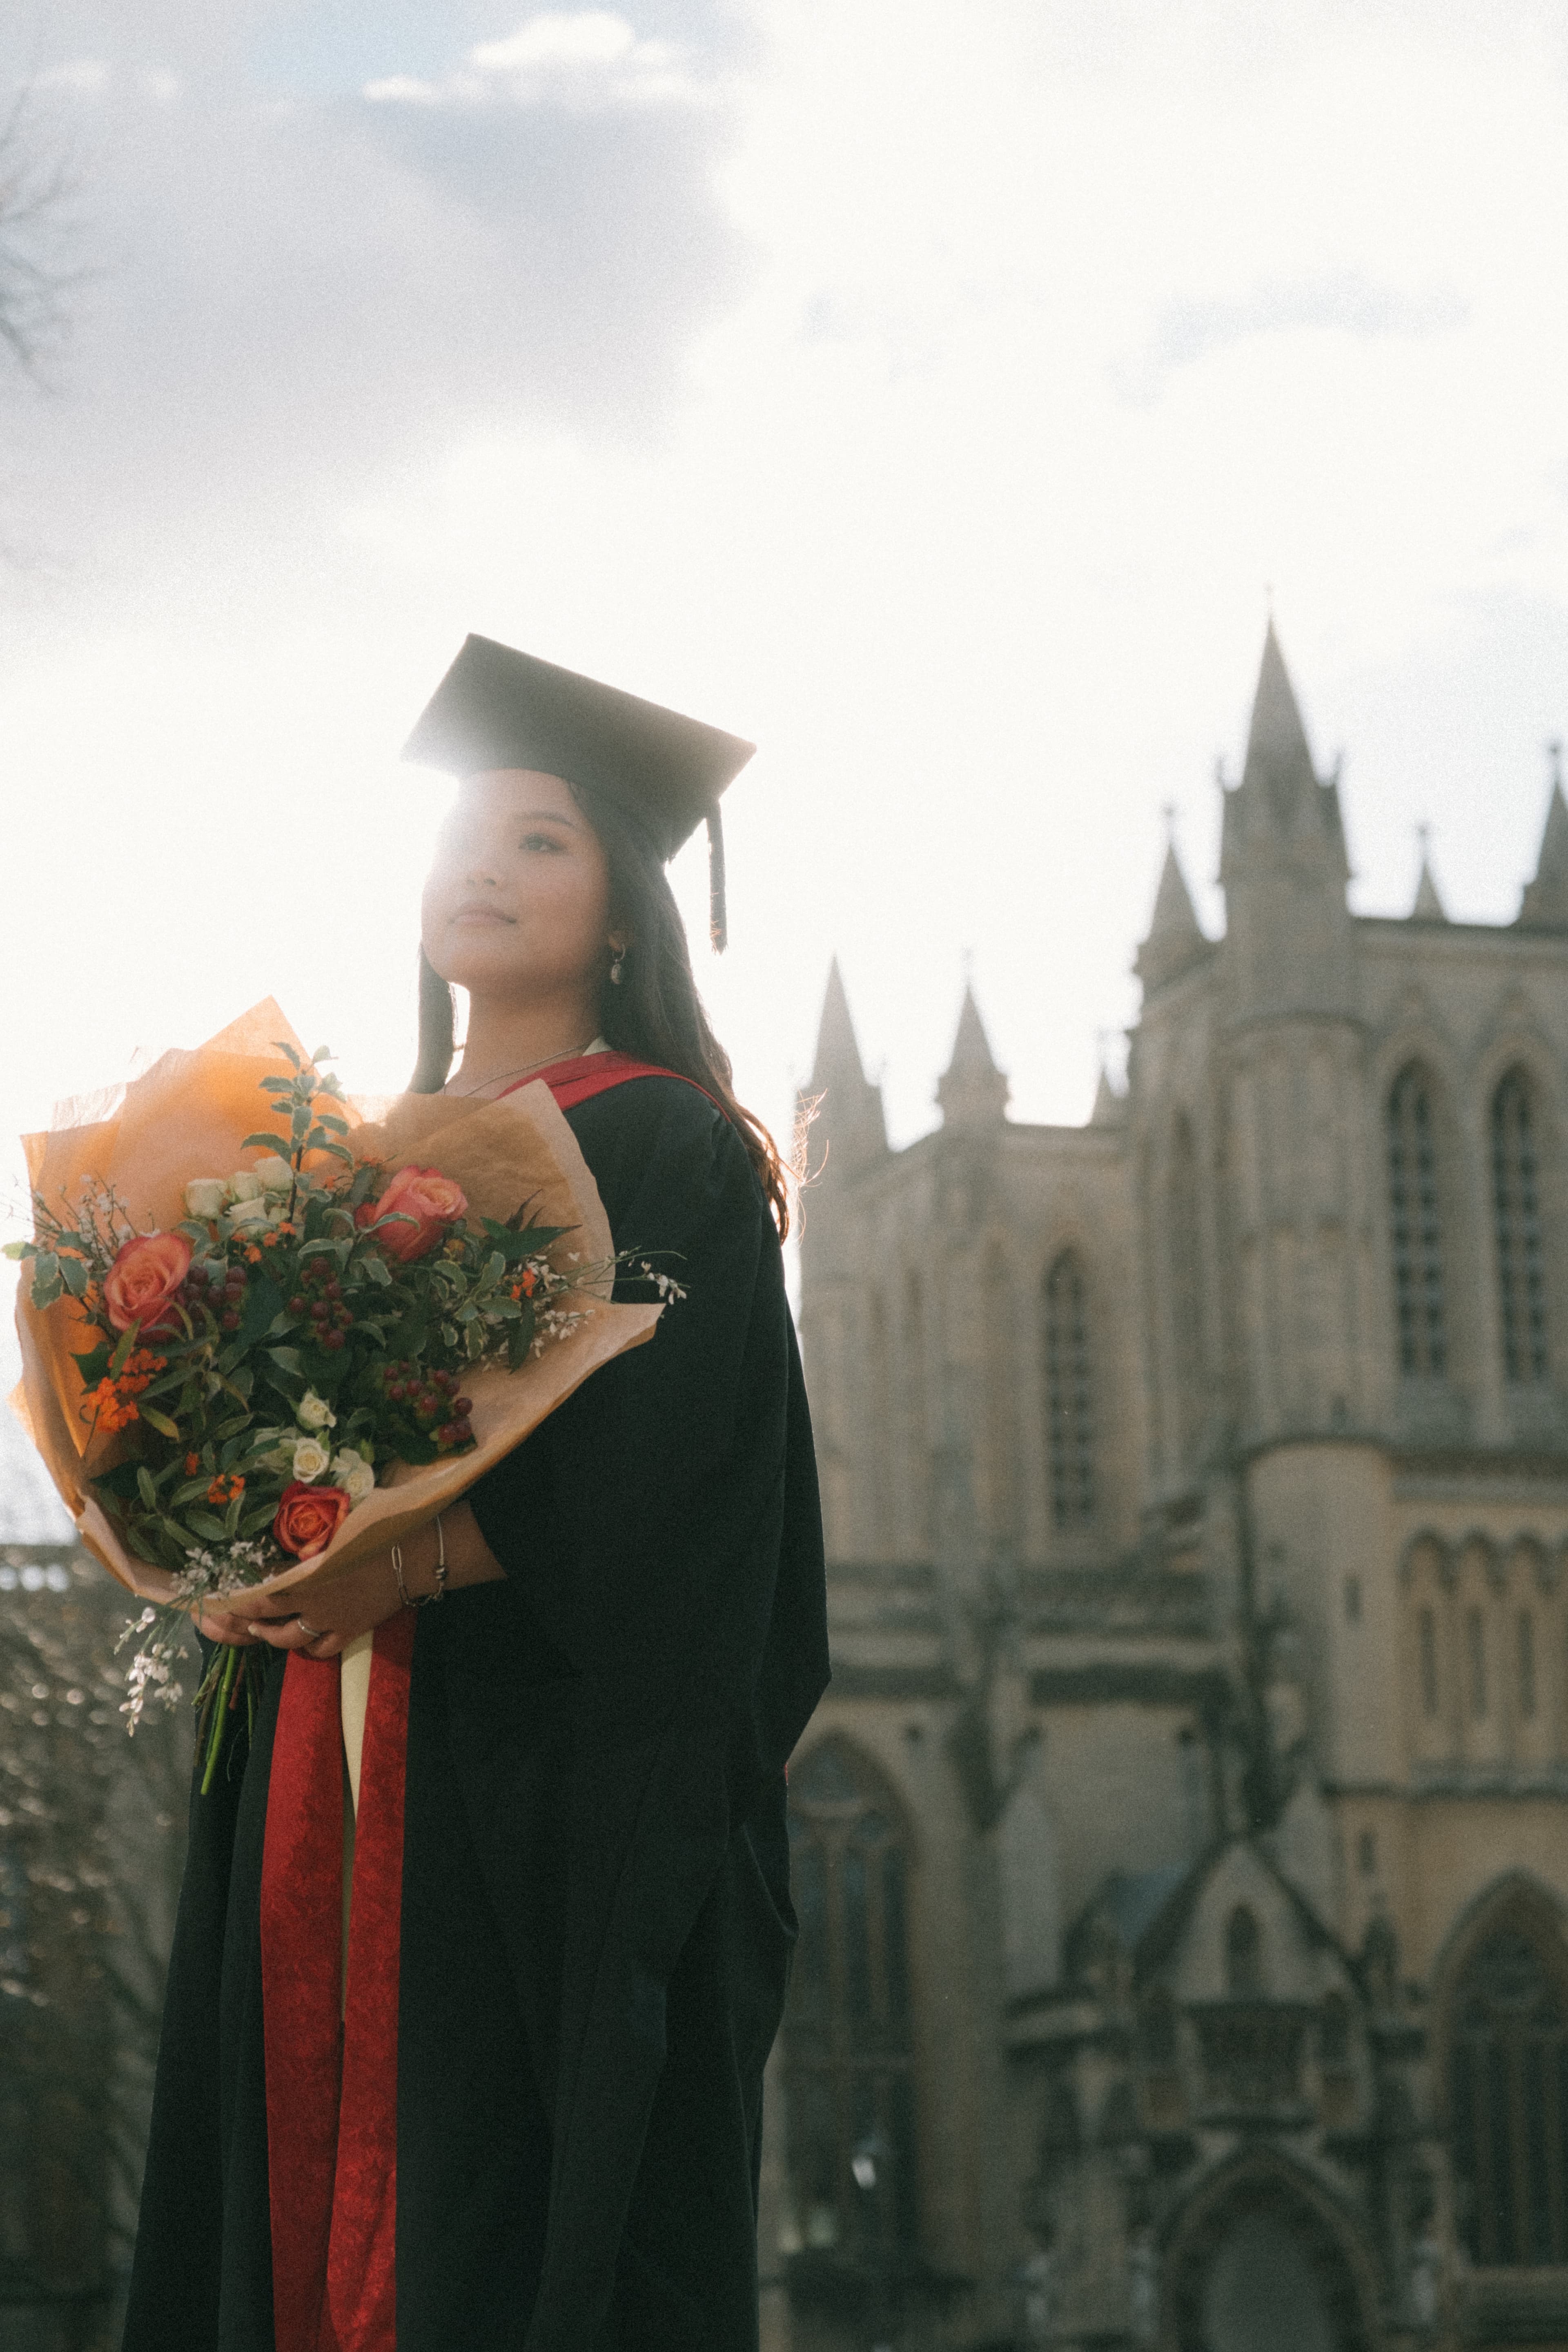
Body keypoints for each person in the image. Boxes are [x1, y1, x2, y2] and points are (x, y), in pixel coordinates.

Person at [122, 637, 830, 2352]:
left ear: (626, 911)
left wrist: (415, 1563)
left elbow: (692, 1482)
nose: (483, 868)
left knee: (484, 2225)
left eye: (541, 841)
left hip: (525, 1785)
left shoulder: (668, 1146)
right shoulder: (333, 1165)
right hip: (320, 1743)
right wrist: (226, 1551)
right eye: (465, 835)